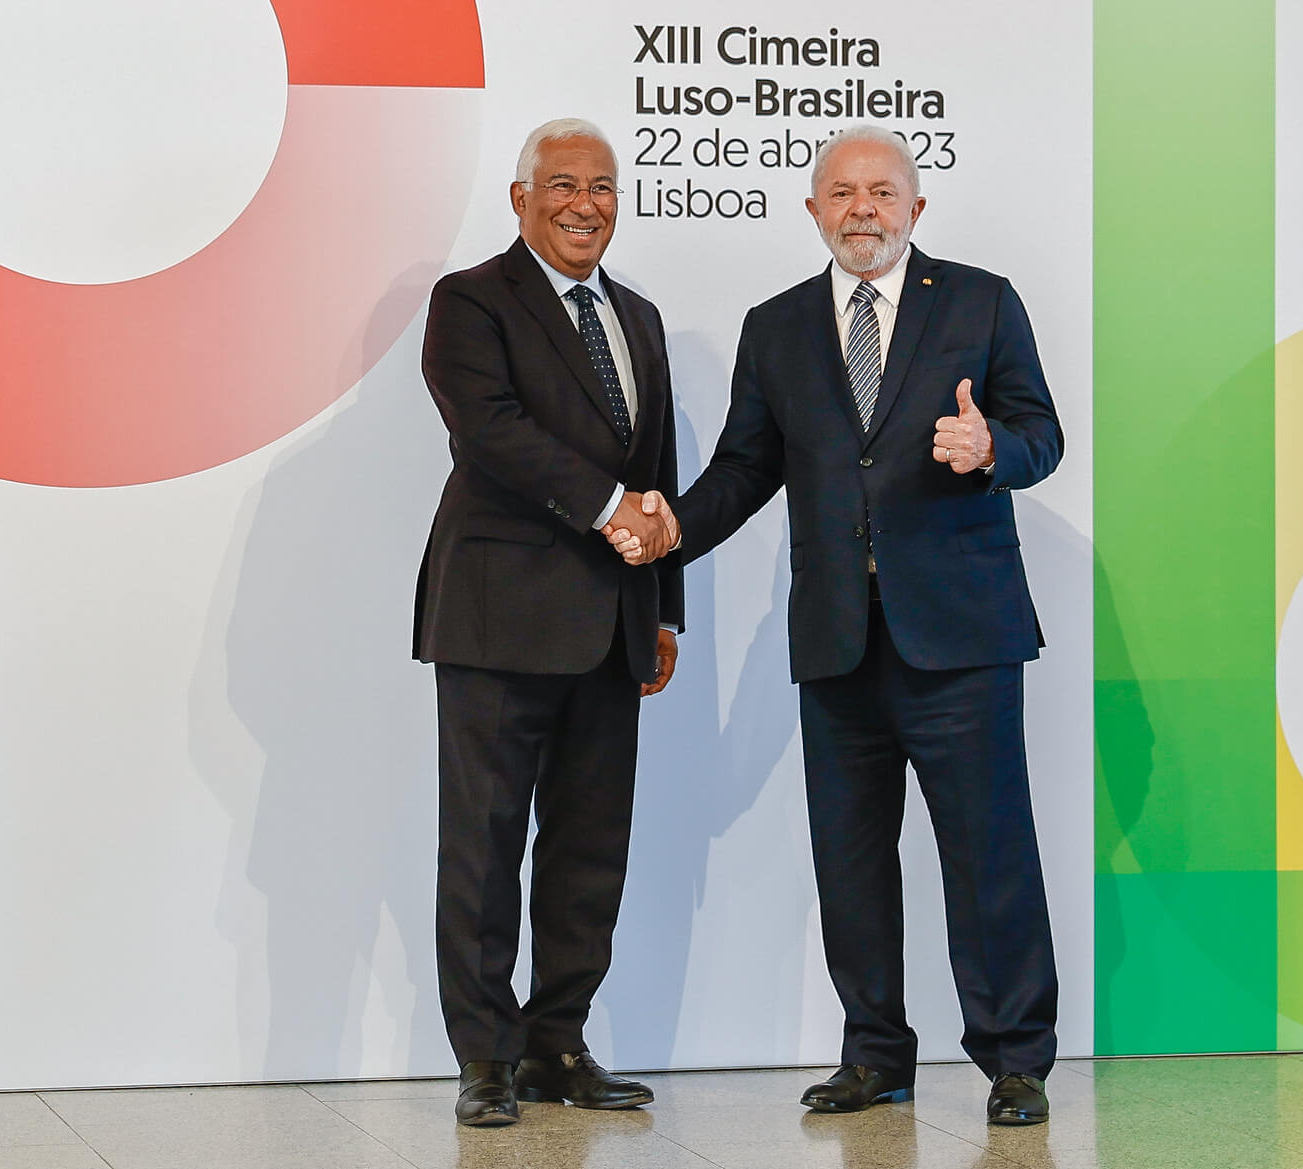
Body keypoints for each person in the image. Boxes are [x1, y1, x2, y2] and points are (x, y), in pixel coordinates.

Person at [607, 124, 1063, 1127]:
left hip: (961, 640)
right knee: (849, 858)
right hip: (836, 637)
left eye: (882, 191)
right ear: (813, 210)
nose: (863, 207)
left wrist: (990, 445)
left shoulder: (981, 303)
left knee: (987, 857)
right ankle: (875, 1055)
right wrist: (673, 527)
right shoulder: (775, 328)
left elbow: (1043, 435)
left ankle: (1014, 1058)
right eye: (842, 193)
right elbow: (743, 468)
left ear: (915, 208)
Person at [415, 119, 683, 1128]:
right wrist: (609, 507)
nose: (585, 204)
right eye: (562, 184)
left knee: (587, 848)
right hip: (496, 619)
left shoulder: (640, 318)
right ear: (519, 200)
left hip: (614, 626)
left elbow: (652, 470)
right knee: (481, 848)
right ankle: (483, 1057)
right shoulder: (471, 301)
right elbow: (489, 433)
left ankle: (555, 1043)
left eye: (603, 186)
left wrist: (662, 612)